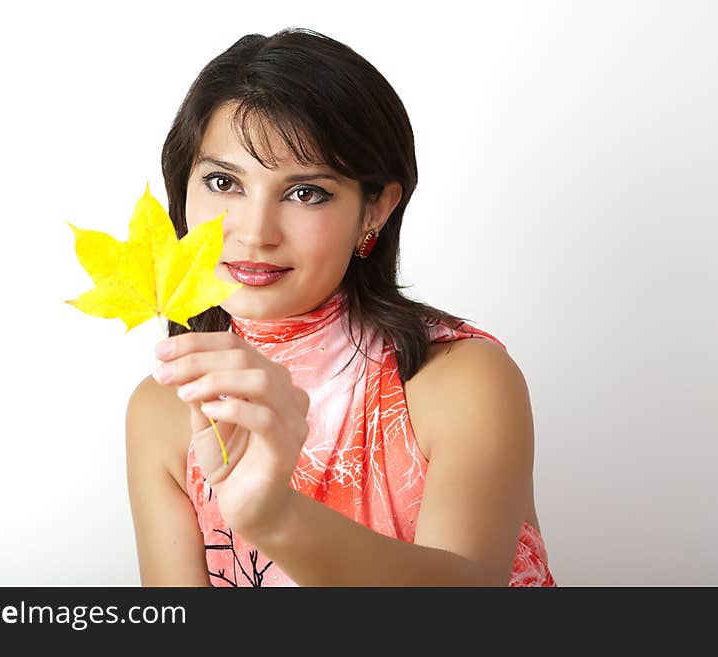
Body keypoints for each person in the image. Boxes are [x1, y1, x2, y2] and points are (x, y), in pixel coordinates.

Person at [125, 27, 556, 587]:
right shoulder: (163, 410)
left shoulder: (461, 379)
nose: (255, 232)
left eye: (306, 192)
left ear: (375, 209)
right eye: (223, 181)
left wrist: (274, 517)